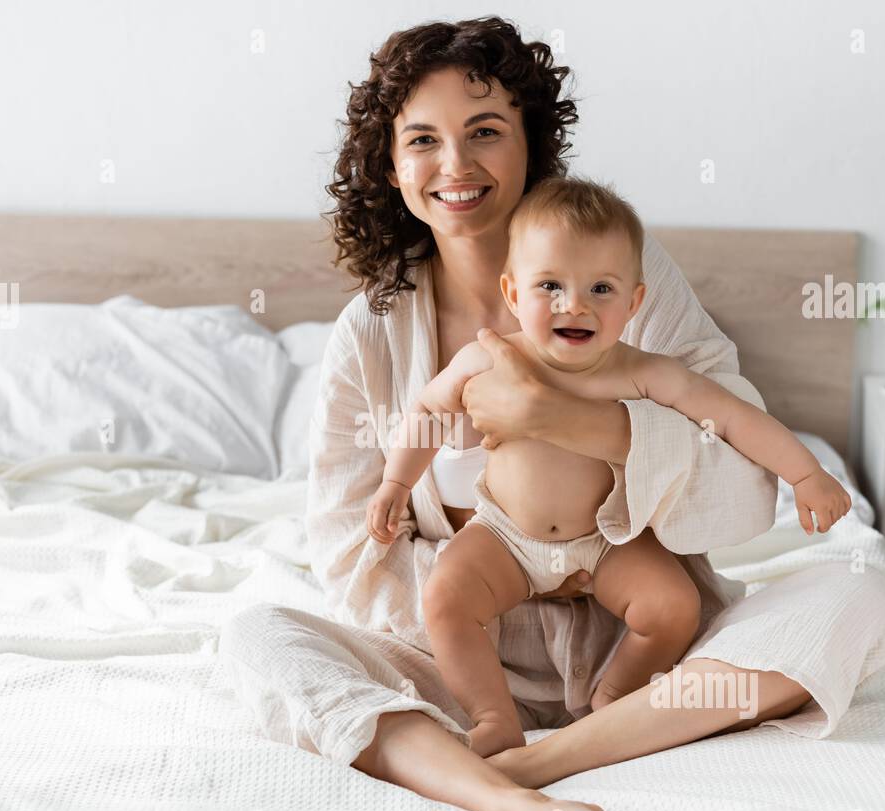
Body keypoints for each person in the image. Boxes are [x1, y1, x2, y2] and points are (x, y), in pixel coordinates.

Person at [219, 17, 885, 811]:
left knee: (857, 595)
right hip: (458, 664)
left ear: (532, 144)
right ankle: (510, 798)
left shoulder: (625, 280)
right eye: (423, 140)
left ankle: (551, 760)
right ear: (392, 168)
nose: (456, 166)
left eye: (486, 132)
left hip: (645, 654)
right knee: (258, 637)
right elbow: (350, 548)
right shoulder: (374, 328)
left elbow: (742, 490)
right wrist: (488, 587)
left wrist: (561, 422)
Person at [365, 176, 853, 758]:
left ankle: (615, 698)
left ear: (634, 302)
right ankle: (493, 715)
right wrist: (396, 481)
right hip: (504, 535)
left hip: (606, 538)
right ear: (514, 293)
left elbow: (732, 417)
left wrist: (806, 474)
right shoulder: (490, 357)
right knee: (445, 595)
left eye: (601, 288)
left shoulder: (643, 371)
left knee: (673, 607)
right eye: (550, 285)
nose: (575, 304)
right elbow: (428, 409)